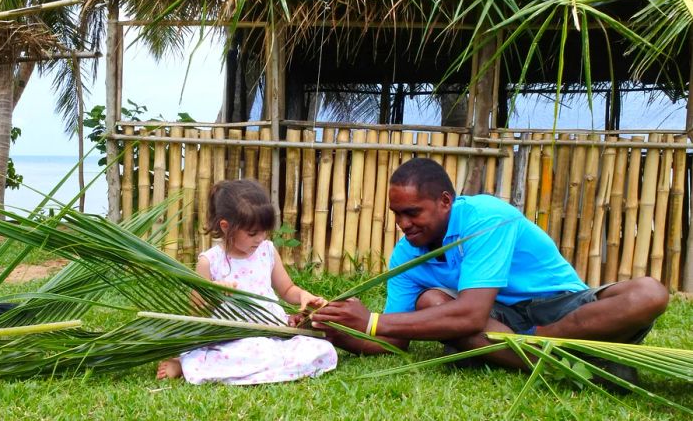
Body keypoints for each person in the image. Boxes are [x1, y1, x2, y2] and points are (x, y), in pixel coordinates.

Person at [312, 158, 669, 370]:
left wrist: (372, 320)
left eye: (412, 212)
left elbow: (468, 316)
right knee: (429, 304)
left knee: (648, 294)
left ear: (445, 201)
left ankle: (537, 350)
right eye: (397, 215)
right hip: (498, 322)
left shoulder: (486, 216)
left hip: (558, 307)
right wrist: (336, 328)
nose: (403, 224)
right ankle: (573, 361)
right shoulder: (406, 255)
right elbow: (397, 340)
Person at [157, 179, 337, 384]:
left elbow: (287, 289)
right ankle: (185, 363)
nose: (260, 238)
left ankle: (265, 363)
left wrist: (303, 295)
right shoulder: (210, 261)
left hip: (273, 331)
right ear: (226, 227)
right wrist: (214, 295)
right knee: (255, 352)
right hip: (233, 338)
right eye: (252, 233)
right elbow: (197, 311)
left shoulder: (267, 251)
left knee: (322, 349)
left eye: (264, 231)